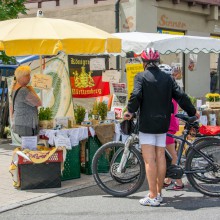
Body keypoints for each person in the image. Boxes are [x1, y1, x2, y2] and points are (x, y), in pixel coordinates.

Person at [124, 48, 199, 207]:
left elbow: (136, 95)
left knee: (149, 160)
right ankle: (158, 193)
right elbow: (181, 96)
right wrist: (193, 111)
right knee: (160, 157)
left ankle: (152, 196)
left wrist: (130, 111)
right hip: (163, 123)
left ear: (144, 62)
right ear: (157, 62)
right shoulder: (167, 78)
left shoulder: (141, 77)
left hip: (147, 124)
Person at [158, 64, 184, 190]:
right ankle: (168, 180)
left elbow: (171, 109)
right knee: (168, 154)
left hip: (168, 125)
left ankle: (179, 182)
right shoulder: (171, 87)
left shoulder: (167, 89)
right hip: (170, 124)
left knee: (172, 155)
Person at [10, 66, 42, 137]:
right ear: (22, 76)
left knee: (25, 147)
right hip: (27, 125)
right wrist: (31, 89)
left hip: (21, 123)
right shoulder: (23, 90)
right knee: (29, 147)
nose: (30, 77)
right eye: (28, 75)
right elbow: (39, 102)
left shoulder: (15, 89)